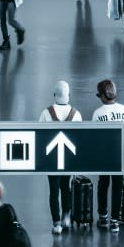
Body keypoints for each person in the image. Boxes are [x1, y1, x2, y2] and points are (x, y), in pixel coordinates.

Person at [91, 79, 124, 232]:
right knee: (118, 187)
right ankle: (115, 220)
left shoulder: (98, 114)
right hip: (121, 157)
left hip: (104, 157)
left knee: (103, 185)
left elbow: (94, 138)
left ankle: (103, 216)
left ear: (103, 96)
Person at [39, 81, 82, 234]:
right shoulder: (76, 114)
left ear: (54, 95)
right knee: (66, 187)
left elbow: (39, 136)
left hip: (52, 160)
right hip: (69, 160)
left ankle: (56, 222)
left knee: (53, 191)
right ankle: (66, 217)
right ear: (69, 95)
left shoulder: (46, 113)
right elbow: (80, 139)